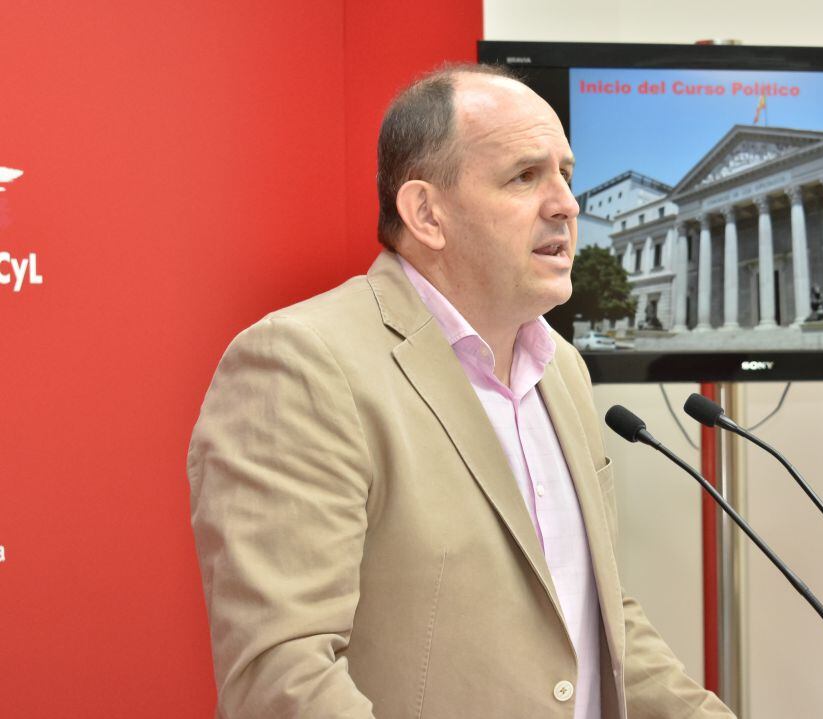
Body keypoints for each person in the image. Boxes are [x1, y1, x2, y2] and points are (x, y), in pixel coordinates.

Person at [187, 63, 735, 719]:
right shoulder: (301, 364)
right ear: (426, 212)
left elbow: (596, 615)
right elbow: (282, 680)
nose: (566, 202)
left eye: (565, 172)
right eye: (524, 176)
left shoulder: (560, 368)